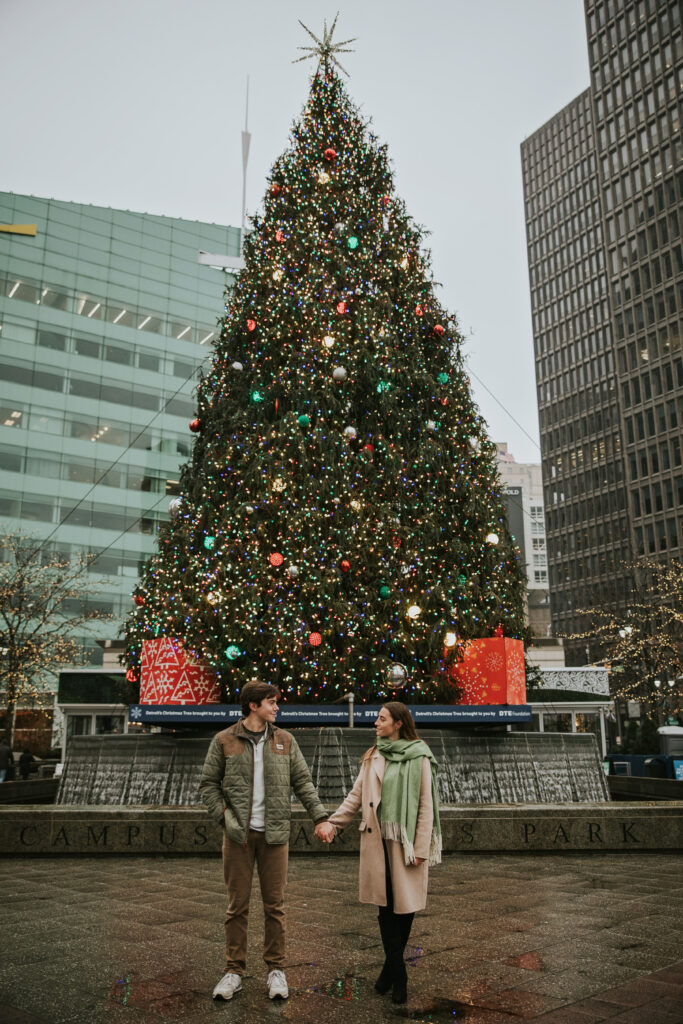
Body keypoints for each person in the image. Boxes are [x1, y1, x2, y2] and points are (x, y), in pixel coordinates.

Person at [200, 679, 330, 1003]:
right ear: (253, 706)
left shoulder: (285, 740)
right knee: (236, 907)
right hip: (238, 838)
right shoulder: (224, 740)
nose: (277, 707)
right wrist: (226, 819)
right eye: (272, 703)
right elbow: (208, 785)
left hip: (275, 836)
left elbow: (303, 782)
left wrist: (320, 817)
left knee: (275, 907)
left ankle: (276, 970)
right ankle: (234, 972)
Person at [314, 702, 441, 1004]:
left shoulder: (420, 755)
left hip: (405, 841)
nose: (376, 723)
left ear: (398, 723)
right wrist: (333, 824)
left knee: (405, 908)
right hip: (377, 842)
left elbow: (426, 805)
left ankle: (389, 971)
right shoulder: (374, 755)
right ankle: (400, 976)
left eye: (382, 719)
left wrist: (422, 847)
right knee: (385, 909)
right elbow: (356, 796)